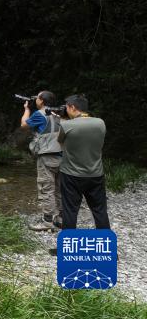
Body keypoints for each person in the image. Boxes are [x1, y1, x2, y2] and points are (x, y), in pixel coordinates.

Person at [57, 94, 109, 229]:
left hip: (71, 175)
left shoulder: (66, 125)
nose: (66, 110)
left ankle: (68, 242)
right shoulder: (100, 122)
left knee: (70, 211)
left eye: (67, 107)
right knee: (100, 210)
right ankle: (105, 240)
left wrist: (63, 121)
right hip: (96, 173)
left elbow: (60, 143)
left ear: (73, 107)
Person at [20, 91, 63, 229]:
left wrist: (27, 109)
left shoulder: (39, 114)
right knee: (60, 188)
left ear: (42, 101)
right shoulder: (58, 114)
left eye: (37, 98)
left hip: (47, 156)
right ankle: (61, 218)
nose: (35, 100)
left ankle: (47, 221)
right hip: (62, 156)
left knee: (46, 188)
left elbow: (24, 125)